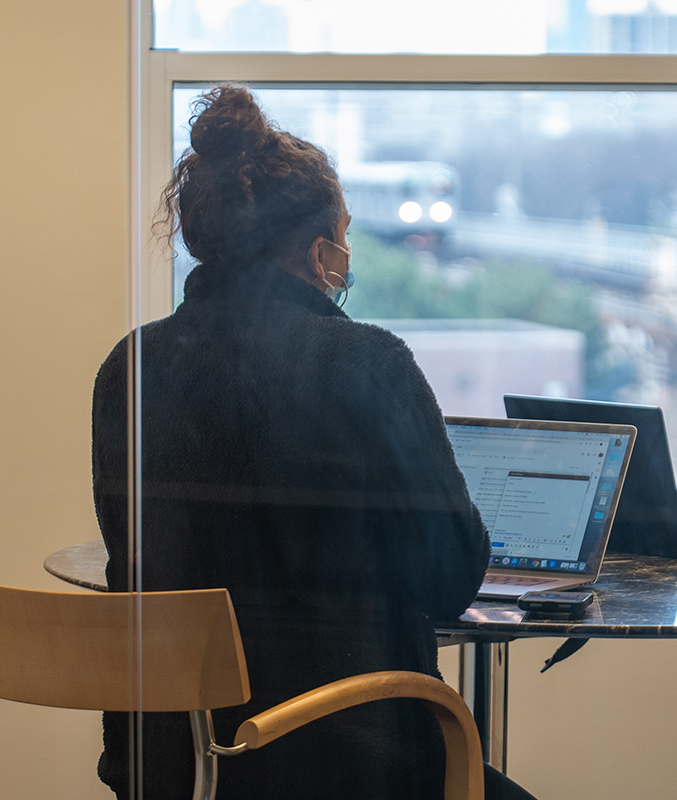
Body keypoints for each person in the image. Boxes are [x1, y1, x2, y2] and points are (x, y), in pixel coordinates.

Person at [92, 84, 536, 800]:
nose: (348, 254)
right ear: (317, 250)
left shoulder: (129, 367)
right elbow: (449, 576)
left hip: (169, 768)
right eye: (345, 233)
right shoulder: (367, 362)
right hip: (345, 762)